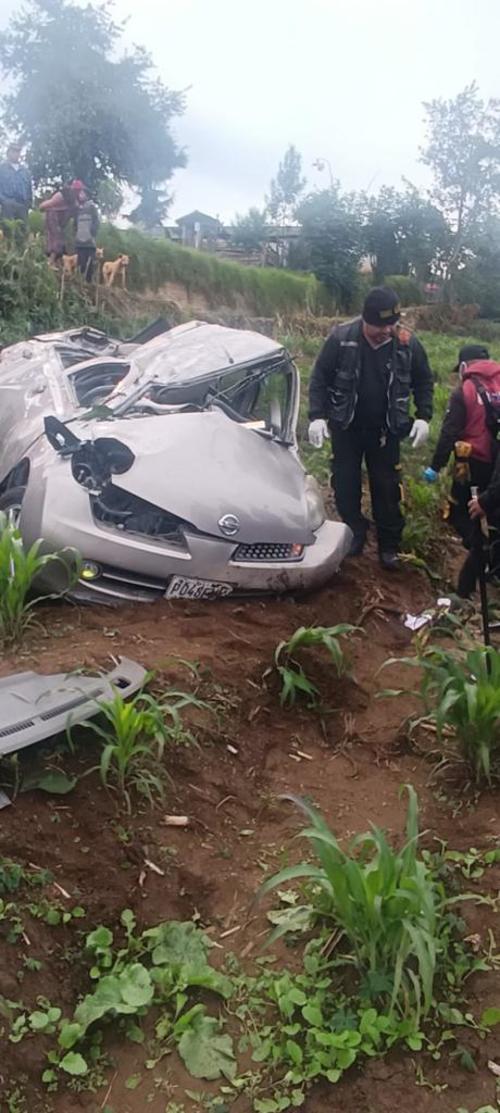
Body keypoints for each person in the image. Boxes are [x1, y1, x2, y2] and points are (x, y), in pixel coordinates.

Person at [308, 286, 434, 571]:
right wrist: (316, 416)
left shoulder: (406, 342)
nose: (387, 330)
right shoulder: (341, 338)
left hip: (385, 432)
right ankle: (355, 531)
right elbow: (319, 378)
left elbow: (424, 381)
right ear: (365, 320)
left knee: (387, 489)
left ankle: (389, 544)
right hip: (347, 428)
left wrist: (424, 416)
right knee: (345, 486)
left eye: (392, 324)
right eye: (380, 325)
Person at [423, 343, 500, 597]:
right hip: (497, 464)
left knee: (460, 511)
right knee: (494, 512)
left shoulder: (464, 391)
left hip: (469, 461)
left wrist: (435, 466)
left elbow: (449, 433)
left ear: (465, 366)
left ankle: (479, 556)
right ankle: (492, 563)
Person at [39, 180, 82, 267]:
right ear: (72, 189)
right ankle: (49, 263)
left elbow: (77, 212)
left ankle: (56, 264)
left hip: (61, 221)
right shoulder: (61, 196)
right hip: (52, 217)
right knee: (55, 240)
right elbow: (43, 206)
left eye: (79, 190)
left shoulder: (76, 201)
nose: (77, 192)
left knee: (60, 243)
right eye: (76, 190)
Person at [0, 142, 32, 221]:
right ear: (8, 153)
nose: (16, 153)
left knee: (22, 231)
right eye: (13, 151)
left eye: (18, 151)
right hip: (7, 205)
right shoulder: (1, 169)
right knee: (8, 231)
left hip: (22, 206)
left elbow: (29, 189)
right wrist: (3, 201)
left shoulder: (25, 172)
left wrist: (28, 204)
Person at [74, 186, 100, 281]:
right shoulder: (77, 209)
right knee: (80, 263)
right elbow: (75, 224)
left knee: (89, 263)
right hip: (79, 241)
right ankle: (80, 280)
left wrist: (92, 232)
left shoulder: (92, 207)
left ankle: (88, 282)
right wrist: (76, 233)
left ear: (87, 196)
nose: (80, 195)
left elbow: (96, 221)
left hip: (89, 241)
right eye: (79, 193)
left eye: (82, 193)